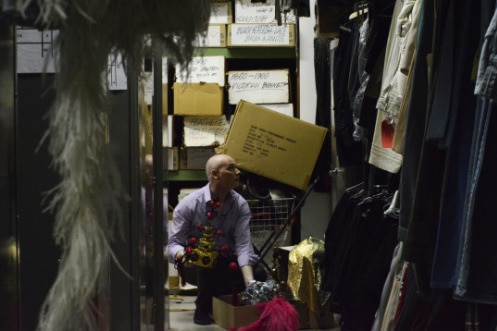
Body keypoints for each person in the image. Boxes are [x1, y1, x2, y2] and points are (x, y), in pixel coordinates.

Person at [166, 153, 267, 325]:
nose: (238, 172)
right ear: (215, 174)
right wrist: (186, 256)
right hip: (198, 265)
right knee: (207, 266)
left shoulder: (240, 204)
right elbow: (173, 245)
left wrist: (250, 282)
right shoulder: (189, 205)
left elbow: (243, 245)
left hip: (227, 260)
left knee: (257, 273)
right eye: (231, 168)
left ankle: (229, 303)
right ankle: (203, 308)